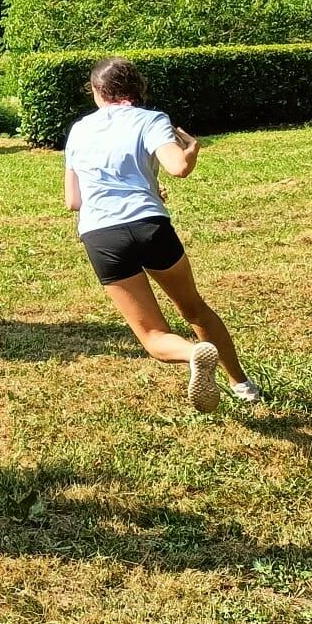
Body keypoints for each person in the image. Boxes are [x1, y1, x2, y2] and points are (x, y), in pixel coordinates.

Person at [64, 57, 260, 412]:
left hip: (101, 235)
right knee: (194, 309)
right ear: (137, 88)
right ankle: (242, 385)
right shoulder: (151, 120)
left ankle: (191, 353)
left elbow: (73, 200)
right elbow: (177, 167)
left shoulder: (79, 130)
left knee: (153, 336)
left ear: (97, 91)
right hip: (149, 226)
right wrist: (192, 151)